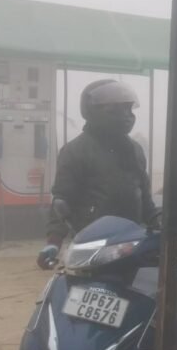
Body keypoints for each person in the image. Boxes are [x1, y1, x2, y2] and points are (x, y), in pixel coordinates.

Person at [37, 79, 155, 269]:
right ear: (93, 112)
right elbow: (62, 200)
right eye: (116, 110)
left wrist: (160, 225)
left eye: (128, 109)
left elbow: (144, 197)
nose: (126, 116)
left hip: (130, 243)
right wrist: (53, 242)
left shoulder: (134, 150)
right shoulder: (75, 151)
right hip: (91, 245)